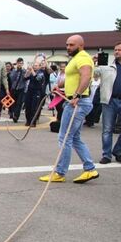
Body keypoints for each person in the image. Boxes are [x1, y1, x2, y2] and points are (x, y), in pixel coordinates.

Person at [39, 35, 99, 183]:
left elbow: (85, 76)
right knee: (75, 138)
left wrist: (77, 95)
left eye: (71, 45)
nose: (68, 47)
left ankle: (60, 172)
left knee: (64, 137)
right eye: (67, 44)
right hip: (76, 101)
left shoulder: (83, 58)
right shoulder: (77, 58)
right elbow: (73, 77)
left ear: (81, 45)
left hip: (77, 102)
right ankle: (90, 169)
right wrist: (59, 86)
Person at [23, 60, 49, 127]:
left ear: (39, 66)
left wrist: (32, 71)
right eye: (34, 65)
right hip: (29, 91)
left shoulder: (41, 73)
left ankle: (33, 122)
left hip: (37, 91)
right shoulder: (32, 72)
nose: (34, 67)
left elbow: (37, 79)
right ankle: (28, 121)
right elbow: (25, 78)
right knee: (28, 106)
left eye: (36, 65)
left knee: (34, 107)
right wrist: (28, 71)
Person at [8, 58, 27, 122]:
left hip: (21, 89)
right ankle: (12, 113)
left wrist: (23, 72)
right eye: (19, 63)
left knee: (19, 103)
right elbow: (11, 78)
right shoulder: (14, 71)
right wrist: (16, 70)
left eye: (21, 63)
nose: (20, 65)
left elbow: (26, 78)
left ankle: (16, 116)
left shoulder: (24, 71)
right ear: (17, 63)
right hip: (14, 88)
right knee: (13, 102)